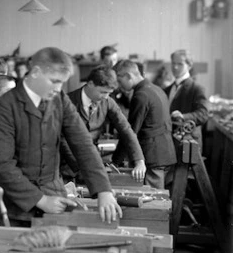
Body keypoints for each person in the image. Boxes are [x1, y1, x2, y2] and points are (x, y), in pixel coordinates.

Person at [0, 47, 122, 225]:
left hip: (53, 200)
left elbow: (83, 143)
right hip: (11, 206)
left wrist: (103, 190)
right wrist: (40, 200)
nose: (58, 88)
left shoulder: (59, 99)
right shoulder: (5, 106)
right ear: (36, 72)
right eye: (54, 81)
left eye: (62, 82)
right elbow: (1, 163)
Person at [61, 65, 146, 182]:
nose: (105, 97)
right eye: (102, 92)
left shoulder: (107, 102)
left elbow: (126, 130)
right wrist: (80, 167)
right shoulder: (66, 101)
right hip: (67, 167)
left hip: (92, 165)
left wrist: (139, 161)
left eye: (109, 93)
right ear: (90, 84)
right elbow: (62, 139)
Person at [114, 59, 176, 189]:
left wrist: (115, 161)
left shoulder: (141, 95)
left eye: (119, 81)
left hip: (152, 156)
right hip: (163, 152)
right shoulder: (156, 89)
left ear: (128, 76)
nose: (119, 85)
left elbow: (130, 132)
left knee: (153, 203)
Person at [166, 49, 209, 148]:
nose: (175, 67)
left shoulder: (197, 89)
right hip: (171, 141)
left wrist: (183, 116)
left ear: (189, 66)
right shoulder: (167, 89)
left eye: (180, 64)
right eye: (173, 63)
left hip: (189, 143)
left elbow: (203, 114)